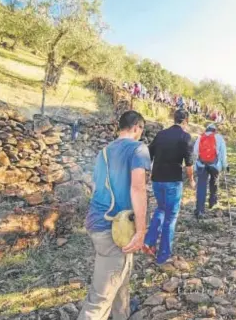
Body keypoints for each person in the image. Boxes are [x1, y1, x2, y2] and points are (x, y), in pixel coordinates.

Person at [79, 111, 150, 320]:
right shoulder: (139, 149)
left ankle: (122, 314)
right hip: (111, 227)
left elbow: (96, 185)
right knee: (99, 299)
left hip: (97, 221)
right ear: (136, 127)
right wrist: (141, 229)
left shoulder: (104, 152)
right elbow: (138, 189)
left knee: (123, 271)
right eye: (141, 130)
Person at [143, 109, 195, 265]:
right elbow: (189, 163)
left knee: (160, 209)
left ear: (174, 119)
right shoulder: (185, 137)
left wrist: (146, 175)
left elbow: (148, 155)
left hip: (157, 179)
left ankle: (149, 241)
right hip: (173, 180)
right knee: (170, 218)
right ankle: (163, 255)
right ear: (185, 121)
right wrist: (191, 179)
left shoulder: (161, 134)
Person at [193, 123, 228, 219]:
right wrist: (225, 165)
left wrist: (195, 166)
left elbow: (195, 152)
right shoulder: (219, 138)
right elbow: (223, 153)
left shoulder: (200, 137)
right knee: (214, 182)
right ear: (215, 130)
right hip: (214, 165)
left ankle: (200, 210)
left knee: (201, 186)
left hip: (201, 165)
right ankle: (212, 202)